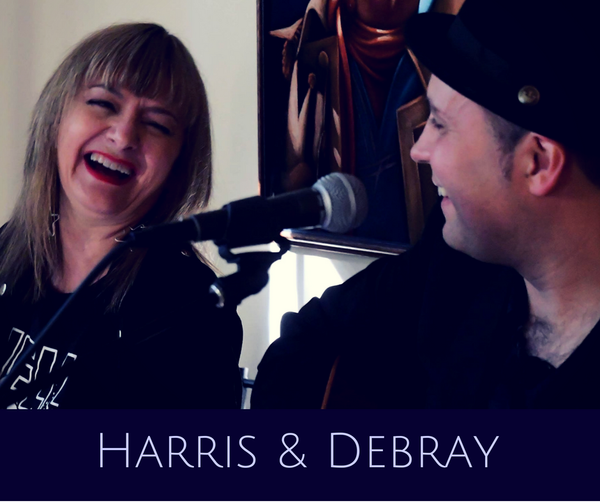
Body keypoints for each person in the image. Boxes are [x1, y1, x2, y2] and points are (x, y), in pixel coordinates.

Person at [252, 0, 600, 408]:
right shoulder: (453, 266)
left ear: (537, 162)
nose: (419, 149)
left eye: (439, 123)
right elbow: (306, 339)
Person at [0, 23, 243, 409]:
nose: (125, 135)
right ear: (56, 118)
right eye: (104, 104)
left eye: (157, 124)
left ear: (178, 164)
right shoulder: (6, 249)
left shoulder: (191, 309)